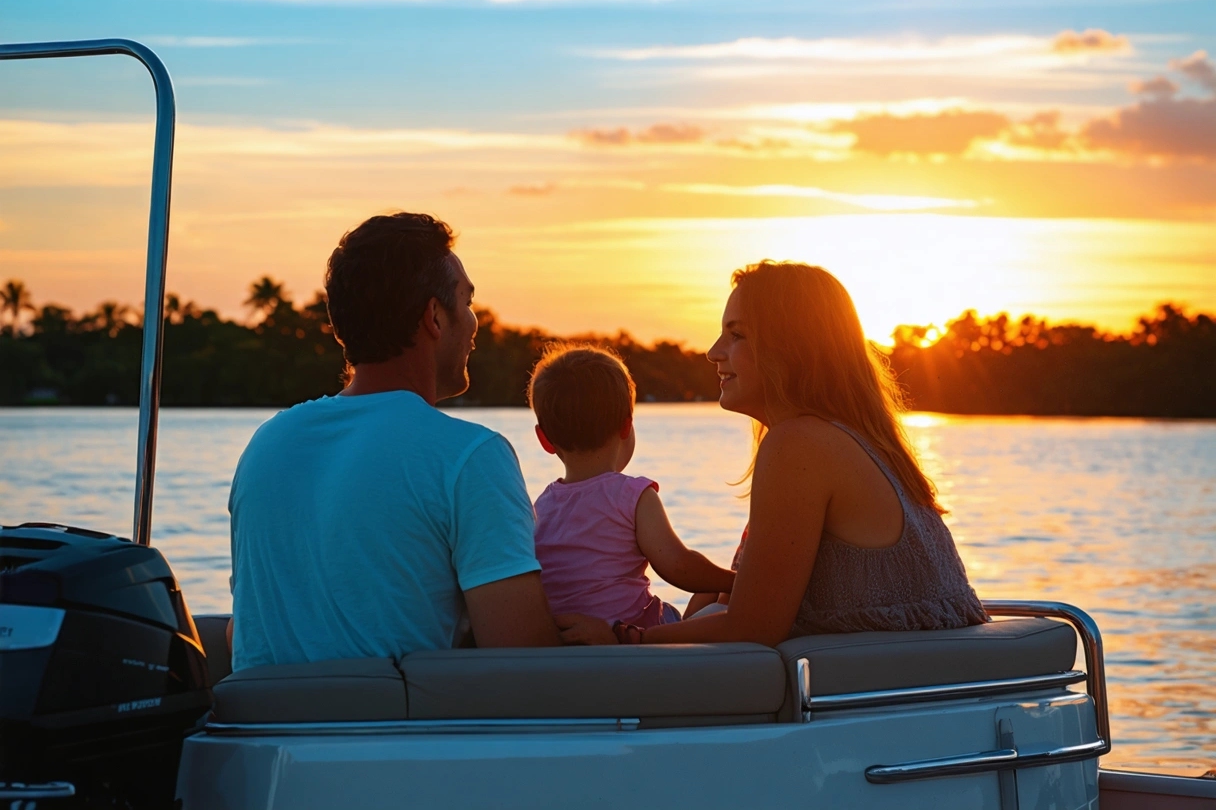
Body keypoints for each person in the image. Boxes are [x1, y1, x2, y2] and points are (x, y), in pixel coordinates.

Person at [556, 261, 988, 647]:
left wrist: (624, 637)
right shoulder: (850, 441)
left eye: (737, 334)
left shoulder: (800, 445)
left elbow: (752, 628)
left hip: (880, 704)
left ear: (791, 348)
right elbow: (740, 601)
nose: (713, 352)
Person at [228, 212, 559, 672]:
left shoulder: (266, 448)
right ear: (435, 317)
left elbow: (243, 628)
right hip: (396, 740)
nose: (474, 323)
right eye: (466, 302)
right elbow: (524, 664)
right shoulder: (468, 457)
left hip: (258, 737)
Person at [527, 344, 735, 628]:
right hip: (633, 635)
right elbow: (679, 567)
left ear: (544, 440)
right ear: (627, 426)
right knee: (716, 590)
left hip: (570, 639)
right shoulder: (633, 496)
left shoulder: (542, 506)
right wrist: (737, 581)